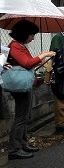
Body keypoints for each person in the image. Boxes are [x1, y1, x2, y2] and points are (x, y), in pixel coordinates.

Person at [6, 20, 56, 160]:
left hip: (25, 85)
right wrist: (44, 54)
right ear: (25, 34)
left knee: (25, 116)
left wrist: (40, 59)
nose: (33, 37)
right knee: (21, 117)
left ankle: (22, 143)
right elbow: (27, 63)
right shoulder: (15, 46)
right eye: (32, 34)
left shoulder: (21, 46)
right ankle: (14, 149)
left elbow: (29, 62)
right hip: (19, 86)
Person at [50, 33, 64, 132]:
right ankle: (60, 124)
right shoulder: (58, 37)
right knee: (61, 96)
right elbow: (54, 54)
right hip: (60, 71)